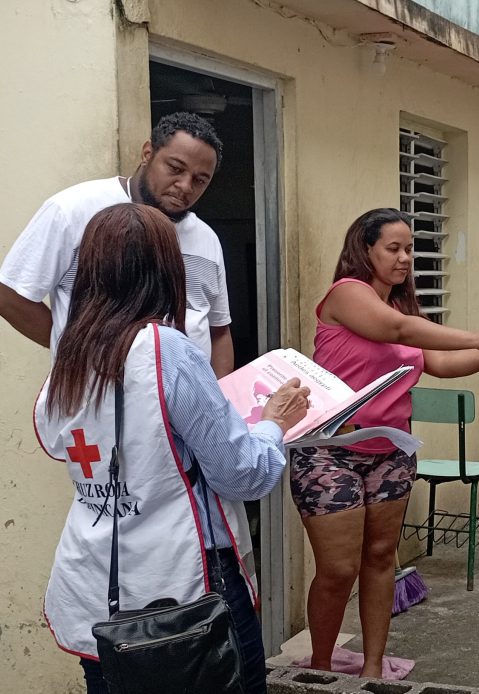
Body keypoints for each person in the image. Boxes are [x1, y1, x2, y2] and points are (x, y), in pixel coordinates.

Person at [33, 203, 310, 694]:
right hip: (183, 596)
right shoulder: (166, 349)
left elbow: (66, 444)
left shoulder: (70, 353)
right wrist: (272, 425)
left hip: (93, 588)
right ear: (166, 270)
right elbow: (242, 474)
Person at [292, 208, 479, 678]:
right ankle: (320, 667)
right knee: (337, 569)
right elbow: (398, 333)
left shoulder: (402, 308)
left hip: (389, 453)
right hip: (331, 453)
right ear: (365, 249)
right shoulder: (347, 295)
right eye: (393, 248)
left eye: (410, 249)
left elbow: (439, 362)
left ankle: (373, 668)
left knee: (379, 559)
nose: (405, 258)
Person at [0, 111, 236, 377]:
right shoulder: (74, 210)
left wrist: (219, 397)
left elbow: (218, 330)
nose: (185, 186)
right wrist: (80, 353)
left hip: (187, 410)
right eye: (175, 169)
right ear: (147, 153)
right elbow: (8, 297)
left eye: (200, 180)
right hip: (99, 407)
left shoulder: (206, 239)